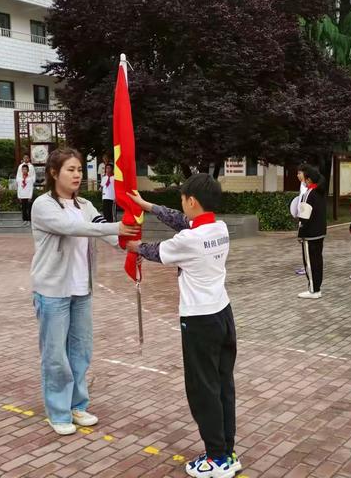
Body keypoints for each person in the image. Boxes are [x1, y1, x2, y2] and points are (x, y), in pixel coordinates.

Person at [126, 173, 241, 478]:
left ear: (191, 201)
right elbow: (181, 220)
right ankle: (227, 451)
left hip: (200, 321)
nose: (181, 207)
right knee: (222, 385)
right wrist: (146, 205)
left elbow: (156, 252)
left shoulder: (189, 240)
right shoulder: (219, 227)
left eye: (182, 200)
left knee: (203, 390)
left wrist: (133, 246)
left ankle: (217, 459)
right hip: (223, 314)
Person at [30, 147, 139, 436]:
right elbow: (73, 228)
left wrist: (132, 242)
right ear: (54, 173)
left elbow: (105, 233)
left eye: (79, 169)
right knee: (55, 355)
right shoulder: (44, 206)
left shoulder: (86, 206)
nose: (77, 175)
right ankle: (58, 411)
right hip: (53, 292)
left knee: (80, 351)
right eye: (71, 169)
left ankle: (77, 404)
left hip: (81, 290)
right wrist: (118, 226)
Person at [296, 164, 327, 299]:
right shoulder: (320, 191)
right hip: (320, 231)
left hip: (310, 234)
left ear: (308, 179)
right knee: (317, 261)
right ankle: (317, 287)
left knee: (310, 262)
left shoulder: (309, 193)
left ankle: (313, 290)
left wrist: (300, 234)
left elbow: (304, 217)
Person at [294, 167, 308, 276]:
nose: (298, 175)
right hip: (301, 218)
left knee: (305, 243)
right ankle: (306, 265)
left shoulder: (306, 186)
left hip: (304, 219)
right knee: (303, 243)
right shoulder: (302, 185)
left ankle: (307, 267)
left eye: (299, 173)